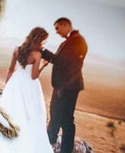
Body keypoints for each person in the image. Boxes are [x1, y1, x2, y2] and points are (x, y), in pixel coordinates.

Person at [0, 27, 53, 153]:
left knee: (10, 109)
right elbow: (33, 76)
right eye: (43, 41)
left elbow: (11, 69)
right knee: (31, 113)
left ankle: (8, 130)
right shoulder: (37, 55)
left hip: (15, 82)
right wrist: (43, 65)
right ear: (39, 40)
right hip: (29, 86)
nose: (43, 44)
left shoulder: (17, 50)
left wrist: (7, 86)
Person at [41, 17, 88, 153]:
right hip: (63, 86)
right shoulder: (69, 41)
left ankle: (64, 149)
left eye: (57, 28)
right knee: (55, 114)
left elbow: (63, 62)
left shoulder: (77, 41)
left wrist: (43, 51)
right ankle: (50, 142)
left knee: (66, 119)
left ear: (65, 25)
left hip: (68, 86)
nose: (56, 31)